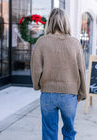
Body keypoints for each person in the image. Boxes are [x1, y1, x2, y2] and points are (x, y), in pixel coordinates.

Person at [31, 8, 86, 140]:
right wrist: (82, 94)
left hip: (47, 94)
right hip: (69, 95)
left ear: (49, 22)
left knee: (49, 132)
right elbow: (81, 70)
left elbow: (36, 68)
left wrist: (37, 85)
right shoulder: (75, 43)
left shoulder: (41, 42)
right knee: (69, 132)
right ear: (66, 22)